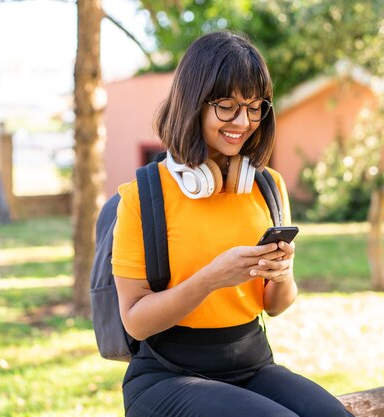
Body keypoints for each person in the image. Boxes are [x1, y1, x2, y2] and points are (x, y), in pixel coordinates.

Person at [112, 30, 355, 417]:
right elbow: (136, 323)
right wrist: (210, 278)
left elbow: (275, 306)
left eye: (255, 107)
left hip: (251, 364)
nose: (243, 121)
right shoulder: (143, 197)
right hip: (167, 375)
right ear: (194, 104)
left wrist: (282, 274)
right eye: (227, 106)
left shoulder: (267, 185)